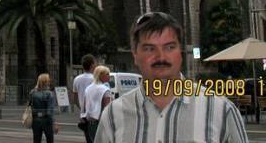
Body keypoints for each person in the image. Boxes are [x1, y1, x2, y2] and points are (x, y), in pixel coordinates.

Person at [95, 12, 249, 143]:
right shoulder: (113, 116)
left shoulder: (220, 110)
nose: (160, 57)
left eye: (169, 47)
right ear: (135, 55)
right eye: (149, 48)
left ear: (180, 53)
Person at [83, 65, 111, 142]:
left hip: (90, 123)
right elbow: (107, 109)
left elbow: (85, 106)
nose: (109, 76)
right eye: (107, 74)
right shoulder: (105, 90)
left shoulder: (88, 89)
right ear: (101, 75)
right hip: (101, 123)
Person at [72, 54, 97, 143]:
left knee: (88, 138)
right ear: (92, 65)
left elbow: (74, 98)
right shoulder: (95, 78)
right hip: (95, 115)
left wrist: (82, 108)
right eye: (95, 63)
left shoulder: (76, 79)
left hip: (84, 116)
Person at [29, 73, 58, 143]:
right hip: (46, 121)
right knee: (50, 140)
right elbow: (50, 111)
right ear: (46, 82)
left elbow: (30, 106)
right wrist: (54, 123)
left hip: (35, 120)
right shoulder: (49, 94)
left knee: (36, 140)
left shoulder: (32, 92)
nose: (50, 82)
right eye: (49, 80)